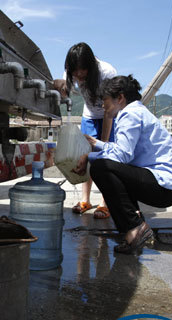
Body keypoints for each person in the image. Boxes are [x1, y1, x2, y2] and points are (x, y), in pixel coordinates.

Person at [72, 75, 172, 254]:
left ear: (120, 98)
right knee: (110, 168)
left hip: (165, 185)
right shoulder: (137, 112)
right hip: (168, 185)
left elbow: (122, 155)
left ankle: (135, 228)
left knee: (101, 167)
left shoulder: (129, 114)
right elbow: (124, 151)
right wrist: (96, 144)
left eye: (105, 100)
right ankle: (134, 224)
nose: (103, 106)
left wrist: (89, 157)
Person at [53, 42, 117, 219]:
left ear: (90, 65)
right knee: (84, 157)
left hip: (109, 116)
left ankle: (105, 203)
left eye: (82, 72)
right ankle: (85, 200)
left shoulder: (106, 72)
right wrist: (58, 87)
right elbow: (66, 92)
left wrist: (102, 143)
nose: (78, 76)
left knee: (105, 159)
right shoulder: (70, 71)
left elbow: (108, 111)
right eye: (75, 72)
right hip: (88, 116)